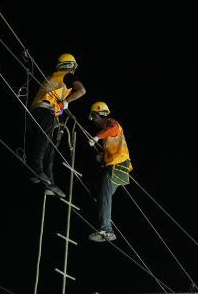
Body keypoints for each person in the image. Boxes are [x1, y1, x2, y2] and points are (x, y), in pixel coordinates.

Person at [28, 54, 85, 197]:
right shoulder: (67, 75)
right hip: (45, 111)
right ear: (70, 65)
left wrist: (61, 106)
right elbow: (81, 90)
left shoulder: (52, 76)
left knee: (50, 147)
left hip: (40, 111)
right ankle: (36, 169)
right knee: (44, 140)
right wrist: (66, 102)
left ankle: (50, 183)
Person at [86, 102, 132, 243]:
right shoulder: (105, 132)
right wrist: (102, 156)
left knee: (105, 195)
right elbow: (112, 148)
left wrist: (97, 137)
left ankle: (107, 230)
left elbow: (114, 130)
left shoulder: (111, 124)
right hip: (114, 166)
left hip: (118, 166)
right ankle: (105, 226)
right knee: (100, 192)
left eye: (94, 117)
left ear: (100, 114)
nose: (93, 120)